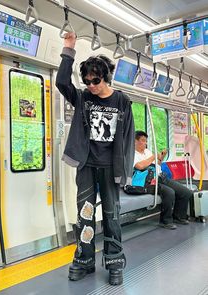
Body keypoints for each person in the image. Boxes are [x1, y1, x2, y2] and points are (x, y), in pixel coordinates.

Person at [56, 32, 135, 285]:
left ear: (106, 77)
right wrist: (68, 49)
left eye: (95, 80)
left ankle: (114, 262)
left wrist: (126, 171)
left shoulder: (121, 101)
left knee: (112, 216)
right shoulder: (82, 98)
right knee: (85, 214)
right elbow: (61, 82)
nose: (90, 85)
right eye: (87, 80)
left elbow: (128, 138)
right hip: (87, 165)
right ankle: (83, 259)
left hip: (111, 167)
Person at [134, 130, 192, 230]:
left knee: (185, 192)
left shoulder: (147, 152)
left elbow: (158, 165)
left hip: (161, 176)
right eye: (143, 140)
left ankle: (178, 216)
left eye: (146, 141)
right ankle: (165, 221)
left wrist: (161, 157)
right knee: (169, 192)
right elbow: (139, 166)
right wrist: (153, 157)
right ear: (135, 141)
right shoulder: (132, 154)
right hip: (147, 181)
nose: (145, 143)